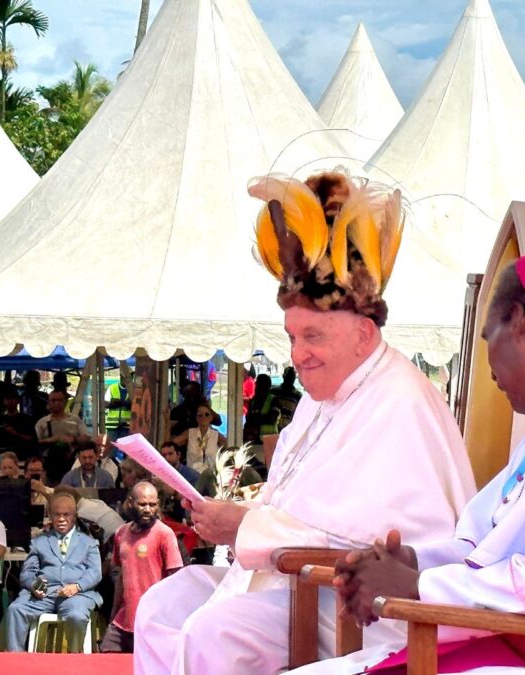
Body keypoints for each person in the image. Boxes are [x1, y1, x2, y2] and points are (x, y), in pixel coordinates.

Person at [133, 170, 477, 675]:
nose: (299, 355)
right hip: (296, 583)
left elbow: (384, 547)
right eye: (292, 337)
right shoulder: (327, 393)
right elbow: (300, 500)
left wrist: (247, 525)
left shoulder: (401, 402)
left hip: (358, 611)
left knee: (217, 632)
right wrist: (237, 514)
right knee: (165, 603)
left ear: (363, 334)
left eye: (312, 336)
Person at [291, 253, 525, 674]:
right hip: (510, 640)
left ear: (518, 320)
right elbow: (482, 547)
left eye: (488, 338)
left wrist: (417, 587)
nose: (488, 368)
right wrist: (411, 563)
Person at [2, 489, 103, 652]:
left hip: (77, 595)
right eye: (57, 514)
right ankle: (15, 661)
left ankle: (75, 661)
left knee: (76, 616)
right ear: (50, 515)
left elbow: (95, 572)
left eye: (66, 514)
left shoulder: (89, 543)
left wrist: (77, 586)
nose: (61, 519)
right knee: (16, 610)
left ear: (75, 515)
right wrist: (33, 585)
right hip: (43, 596)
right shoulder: (39, 542)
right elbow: (26, 573)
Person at [102, 482, 183, 654]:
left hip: (153, 620)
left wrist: (170, 619)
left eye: (152, 505)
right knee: (106, 655)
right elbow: (121, 579)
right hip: (125, 619)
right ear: (131, 503)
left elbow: (176, 581)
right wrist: (113, 615)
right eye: (142, 504)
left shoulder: (164, 534)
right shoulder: (121, 534)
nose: (147, 509)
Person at [173, 403, 226, 474]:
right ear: (196, 418)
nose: (203, 417)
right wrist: (167, 423)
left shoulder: (216, 435)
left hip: (210, 477)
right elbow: (170, 444)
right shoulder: (190, 433)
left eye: (206, 414)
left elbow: (229, 451)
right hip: (192, 477)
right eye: (200, 415)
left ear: (211, 417)